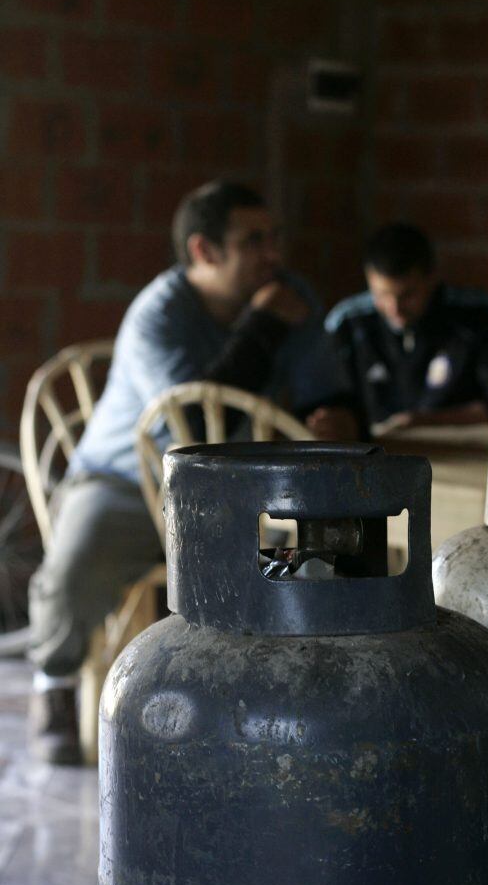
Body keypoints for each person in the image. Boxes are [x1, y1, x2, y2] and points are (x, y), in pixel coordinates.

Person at [27, 179, 354, 764]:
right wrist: (263, 327)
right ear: (204, 251)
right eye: (254, 241)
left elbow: (326, 389)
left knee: (353, 545)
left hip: (238, 487)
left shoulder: (288, 294)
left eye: (275, 237)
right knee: (75, 560)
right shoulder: (160, 311)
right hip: (126, 480)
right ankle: (54, 684)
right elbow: (199, 426)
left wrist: (333, 417)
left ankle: (301, 694)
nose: (274, 254)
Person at [325, 222, 488, 435]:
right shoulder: (347, 324)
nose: (395, 308)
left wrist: (422, 423)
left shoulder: (481, 318)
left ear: (432, 277)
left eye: (407, 295)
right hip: (372, 459)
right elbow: (324, 402)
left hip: (465, 457)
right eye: (381, 295)